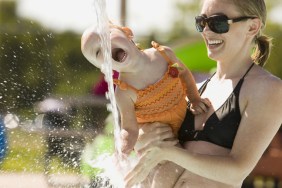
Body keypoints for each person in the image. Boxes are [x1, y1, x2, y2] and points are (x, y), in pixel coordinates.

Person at [124, 0, 282, 187]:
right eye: (202, 22)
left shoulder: (267, 88)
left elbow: (238, 171)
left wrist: (170, 152)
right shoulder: (195, 87)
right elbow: (154, 142)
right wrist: (145, 137)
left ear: (252, 27)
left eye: (218, 22)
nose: (207, 31)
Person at [81, 24, 210, 156]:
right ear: (104, 68)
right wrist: (123, 150)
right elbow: (129, 129)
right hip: (159, 139)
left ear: (127, 33)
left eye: (107, 35)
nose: (106, 47)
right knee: (167, 168)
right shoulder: (124, 92)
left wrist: (194, 98)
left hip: (186, 120)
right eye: (98, 52)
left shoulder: (164, 55)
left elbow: (183, 74)